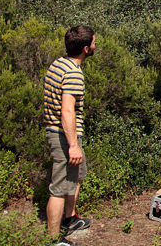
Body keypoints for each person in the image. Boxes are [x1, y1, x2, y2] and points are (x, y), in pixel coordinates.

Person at [43, 25, 96, 246]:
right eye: (93, 42)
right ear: (85, 48)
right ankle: (55, 239)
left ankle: (70, 218)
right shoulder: (73, 73)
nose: (95, 45)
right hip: (64, 136)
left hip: (63, 133)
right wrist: (73, 145)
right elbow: (67, 110)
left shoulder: (59, 63)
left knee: (77, 176)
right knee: (60, 188)